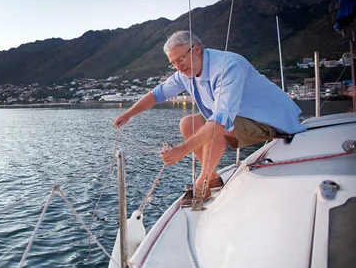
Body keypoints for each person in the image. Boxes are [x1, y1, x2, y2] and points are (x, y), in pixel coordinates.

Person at [113, 30, 306, 203]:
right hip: (241, 118)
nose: (178, 67)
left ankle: (202, 184)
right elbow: (157, 94)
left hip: (272, 120)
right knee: (188, 123)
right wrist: (129, 114)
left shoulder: (228, 66)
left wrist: (182, 150)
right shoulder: (185, 73)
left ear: (196, 49)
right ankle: (212, 178)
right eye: (173, 63)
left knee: (216, 130)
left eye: (180, 59)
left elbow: (220, 122)